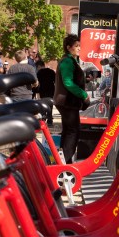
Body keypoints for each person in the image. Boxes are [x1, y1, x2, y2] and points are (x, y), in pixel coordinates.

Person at [53, 35, 89, 163]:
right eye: (76, 46)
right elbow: (67, 82)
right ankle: (65, 163)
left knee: (68, 131)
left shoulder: (70, 60)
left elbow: (70, 79)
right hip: (67, 102)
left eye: (79, 46)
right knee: (72, 132)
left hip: (66, 102)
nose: (79, 48)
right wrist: (83, 94)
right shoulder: (67, 61)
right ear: (68, 48)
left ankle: (63, 162)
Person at [35, 59, 56, 125]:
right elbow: (55, 81)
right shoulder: (51, 71)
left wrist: (36, 92)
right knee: (50, 105)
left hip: (42, 91)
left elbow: (37, 83)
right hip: (51, 90)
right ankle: (50, 120)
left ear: (38, 66)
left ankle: (43, 119)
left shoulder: (39, 73)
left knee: (43, 105)